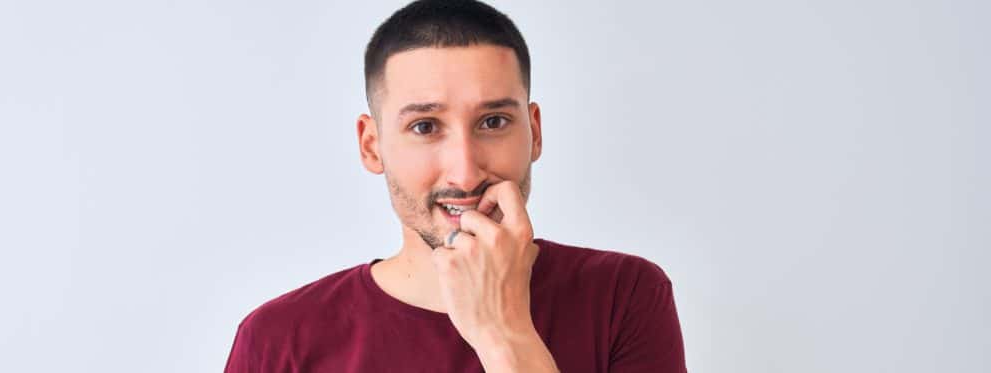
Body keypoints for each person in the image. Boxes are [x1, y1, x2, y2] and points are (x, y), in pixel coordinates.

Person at [223, 1, 686, 371]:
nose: (464, 173)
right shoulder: (278, 340)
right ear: (372, 146)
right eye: (425, 127)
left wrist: (502, 333)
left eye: (493, 121)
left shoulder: (623, 296)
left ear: (535, 132)